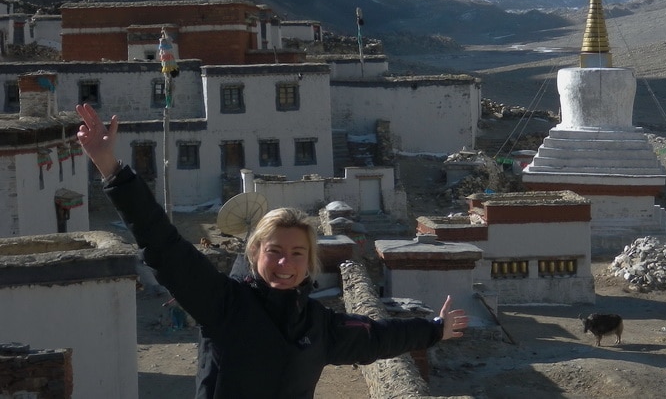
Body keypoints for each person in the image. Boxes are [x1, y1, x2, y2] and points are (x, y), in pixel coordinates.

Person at [76, 103, 468, 399]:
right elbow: (161, 242)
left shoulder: (319, 325)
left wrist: (435, 329)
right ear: (254, 252)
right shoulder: (223, 304)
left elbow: (377, 337)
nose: (285, 263)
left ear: (310, 261)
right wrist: (110, 167)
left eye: (298, 253)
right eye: (275, 250)